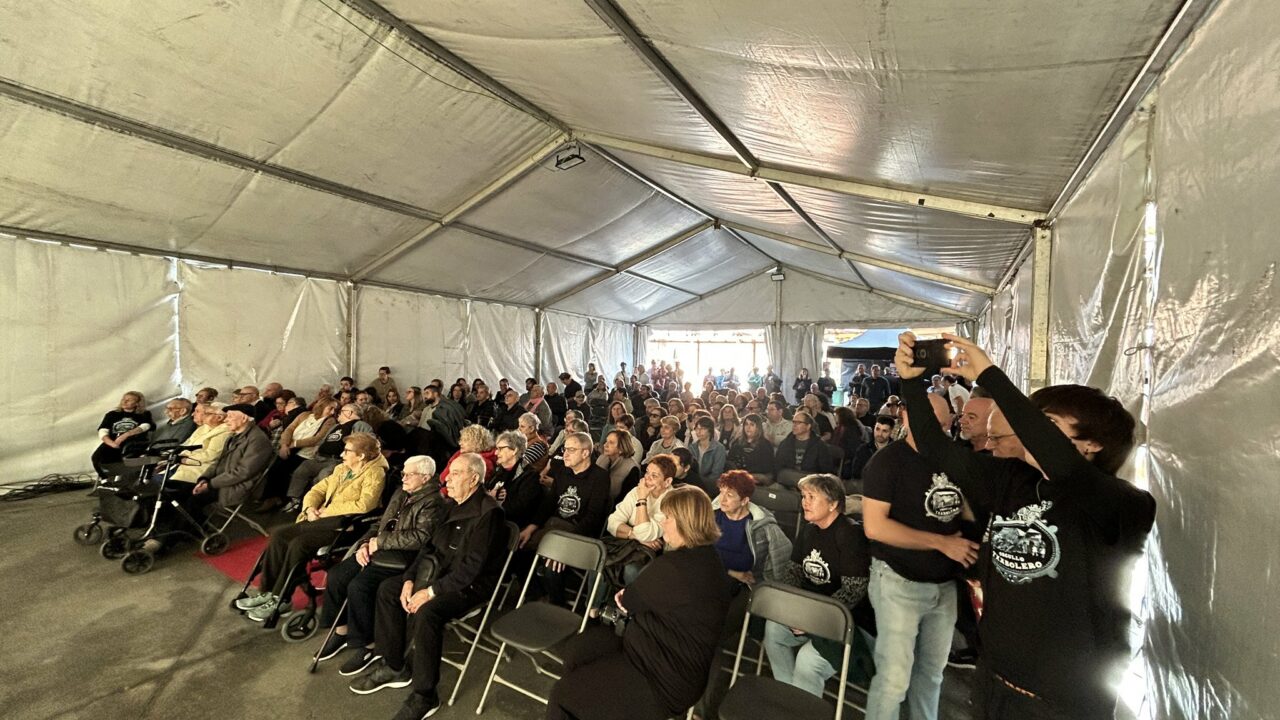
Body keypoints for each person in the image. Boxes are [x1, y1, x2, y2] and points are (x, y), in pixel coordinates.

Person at [896, 332, 1156, 719]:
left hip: (1060, 702)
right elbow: (936, 448)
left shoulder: (1122, 504)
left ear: (1093, 443)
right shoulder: (1012, 480)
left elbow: (1064, 467)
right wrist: (910, 382)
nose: (1030, 428)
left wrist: (989, 373)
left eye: (1046, 422)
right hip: (995, 681)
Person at [547, 486, 732, 720]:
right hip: (656, 653)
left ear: (685, 522)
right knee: (578, 650)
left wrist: (627, 596)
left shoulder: (674, 566)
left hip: (659, 676)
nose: (663, 523)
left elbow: (630, 601)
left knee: (563, 695)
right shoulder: (710, 560)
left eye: (668, 518)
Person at [351, 454, 507, 720]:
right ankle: (394, 665)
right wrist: (410, 579)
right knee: (390, 589)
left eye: (456, 473)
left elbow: (472, 569)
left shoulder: (489, 513)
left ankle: (425, 694)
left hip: (470, 585)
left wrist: (430, 592)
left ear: (474, 479)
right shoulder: (451, 505)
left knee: (428, 612)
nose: (447, 478)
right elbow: (428, 549)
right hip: (438, 573)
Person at [861, 390, 975, 720]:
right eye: (933, 423)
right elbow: (875, 527)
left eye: (945, 424)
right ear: (909, 420)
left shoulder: (952, 456)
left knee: (932, 674)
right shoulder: (887, 462)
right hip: (899, 581)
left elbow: (962, 508)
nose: (939, 431)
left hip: (945, 582)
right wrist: (941, 543)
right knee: (895, 680)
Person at [314, 455, 446, 674]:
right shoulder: (401, 492)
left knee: (359, 586)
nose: (403, 477)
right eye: (403, 472)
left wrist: (380, 542)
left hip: (403, 557)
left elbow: (421, 537)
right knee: (337, 575)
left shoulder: (434, 501)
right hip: (378, 549)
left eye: (409, 474)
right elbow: (381, 523)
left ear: (425, 477)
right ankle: (342, 631)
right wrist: (365, 544)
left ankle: (367, 644)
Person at [236, 433, 387, 621]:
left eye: (347, 451)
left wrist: (325, 512)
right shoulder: (343, 468)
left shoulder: (375, 473)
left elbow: (365, 505)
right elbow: (317, 490)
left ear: (361, 456)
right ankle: (268, 592)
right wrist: (309, 508)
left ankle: (281, 599)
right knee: (278, 535)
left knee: (298, 544)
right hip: (321, 519)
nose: (341, 454)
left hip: (345, 527)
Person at [763, 473, 870, 698]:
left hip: (845, 621)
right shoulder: (809, 529)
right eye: (804, 496)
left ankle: (804, 709)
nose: (804, 502)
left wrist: (813, 619)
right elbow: (793, 571)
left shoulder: (851, 534)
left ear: (832, 504)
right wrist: (792, 609)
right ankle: (791, 698)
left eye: (812, 496)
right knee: (773, 630)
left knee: (807, 661)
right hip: (810, 611)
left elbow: (853, 591)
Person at [521, 433, 611, 605]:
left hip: (578, 532)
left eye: (571, 450)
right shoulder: (562, 471)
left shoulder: (600, 477)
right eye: (565, 449)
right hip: (553, 527)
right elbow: (548, 504)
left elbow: (593, 518)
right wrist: (531, 527)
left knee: (551, 568)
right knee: (519, 549)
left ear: (585, 453)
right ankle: (538, 594)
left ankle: (556, 604)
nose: (565, 454)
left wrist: (564, 545)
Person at [285, 403, 371, 513]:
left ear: (349, 413)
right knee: (302, 470)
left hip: (337, 461)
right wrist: (318, 447)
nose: (338, 414)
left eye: (342, 411)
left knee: (324, 476)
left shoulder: (360, 425)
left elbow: (366, 442)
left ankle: (318, 506)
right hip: (320, 458)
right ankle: (294, 500)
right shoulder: (336, 426)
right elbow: (324, 440)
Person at [486, 431, 545, 531]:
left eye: (500, 448)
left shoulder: (530, 476)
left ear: (514, 450)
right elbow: (486, 489)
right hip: (492, 516)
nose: (496, 453)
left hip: (509, 524)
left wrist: (494, 501)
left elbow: (519, 509)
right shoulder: (499, 469)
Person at [91, 391, 154, 478]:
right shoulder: (112, 414)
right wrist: (111, 443)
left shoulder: (144, 414)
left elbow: (146, 425)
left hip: (133, 443)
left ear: (137, 403)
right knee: (96, 457)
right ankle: (105, 479)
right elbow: (103, 431)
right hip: (113, 441)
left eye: (128, 400)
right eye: (123, 399)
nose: (124, 402)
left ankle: (121, 478)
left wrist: (125, 435)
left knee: (123, 458)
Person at [167, 402, 232, 483]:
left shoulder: (225, 432)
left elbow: (211, 456)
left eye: (198, 411)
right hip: (180, 465)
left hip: (198, 470)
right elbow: (185, 445)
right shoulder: (204, 427)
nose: (193, 414)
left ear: (219, 417)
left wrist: (185, 458)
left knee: (154, 483)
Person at [774, 411, 836, 487]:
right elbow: (778, 465)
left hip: (810, 482)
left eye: (798, 423)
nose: (794, 425)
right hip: (788, 482)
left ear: (808, 426)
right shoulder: (786, 443)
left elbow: (826, 470)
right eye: (794, 422)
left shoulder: (819, 445)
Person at [725, 413, 776, 481]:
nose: (748, 427)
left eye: (752, 424)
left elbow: (767, 468)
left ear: (758, 427)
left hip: (758, 477)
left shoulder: (765, 444)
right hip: (738, 475)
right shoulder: (737, 442)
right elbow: (730, 460)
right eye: (746, 424)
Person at [597, 429, 641, 501]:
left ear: (621, 448)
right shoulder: (602, 459)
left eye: (611, 443)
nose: (605, 445)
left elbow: (627, 499)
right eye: (606, 441)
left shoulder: (632, 469)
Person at [687, 416, 726, 492]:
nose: (699, 431)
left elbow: (716, 474)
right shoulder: (692, 447)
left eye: (703, 428)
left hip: (710, 485)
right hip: (693, 484)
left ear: (710, 430)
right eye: (697, 428)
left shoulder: (719, 448)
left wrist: (700, 483)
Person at [851, 415, 895, 480]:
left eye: (884, 431)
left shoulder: (896, 451)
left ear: (891, 432)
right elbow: (856, 472)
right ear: (874, 428)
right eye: (877, 429)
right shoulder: (863, 449)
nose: (880, 434)